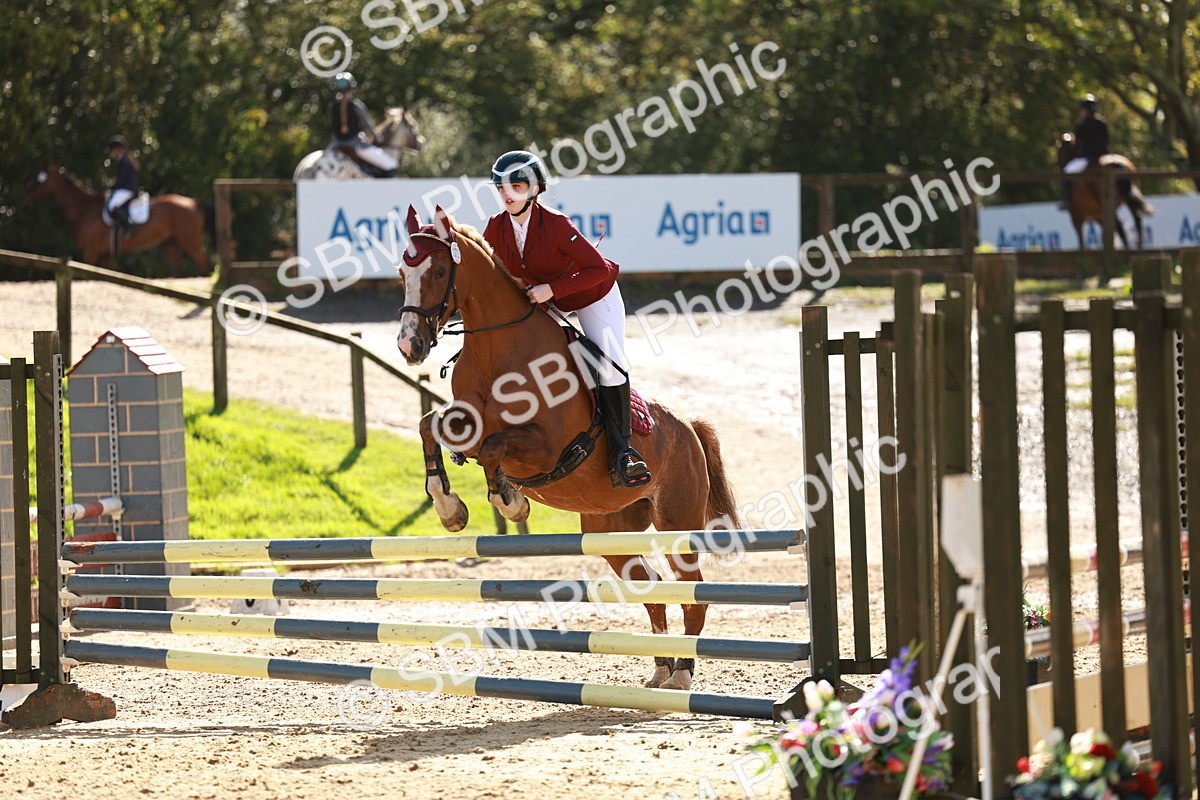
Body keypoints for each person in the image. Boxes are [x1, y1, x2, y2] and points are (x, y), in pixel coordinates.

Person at [482, 150, 651, 489]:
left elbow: (598, 269)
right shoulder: (495, 228)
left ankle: (623, 452)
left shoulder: (556, 225)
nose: (507, 194)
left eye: (517, 186)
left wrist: (552, 289)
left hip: (591, 295)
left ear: (535, 190)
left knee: (610, 364)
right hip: (545, 303)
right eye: (502, 187)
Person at [328, 72, 398, 177]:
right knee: (391, 164)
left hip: (336, 144)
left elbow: (331, 124)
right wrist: (378, 138)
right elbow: (367, 126)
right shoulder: (357, 106)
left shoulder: (331, 107)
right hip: (356, 145)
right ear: (351, 88)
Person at [1060, 94, 1109, 209]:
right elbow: (1107, 140)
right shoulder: (1102, 123)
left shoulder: (1082, 125)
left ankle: (1067, 200)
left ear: (1086, 110)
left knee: (1067, 172)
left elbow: (1077, 145)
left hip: (1088, 158)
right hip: (1104, 156)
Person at [104, 135, 139, 232]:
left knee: (112, 206)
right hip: (125, 189)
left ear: (118, 149)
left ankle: (129, 224)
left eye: (112, 150)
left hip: (127, 189)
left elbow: (122, 180)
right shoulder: (123, 160)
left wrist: (110, 188)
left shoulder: (125, 161)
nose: (111, 153)